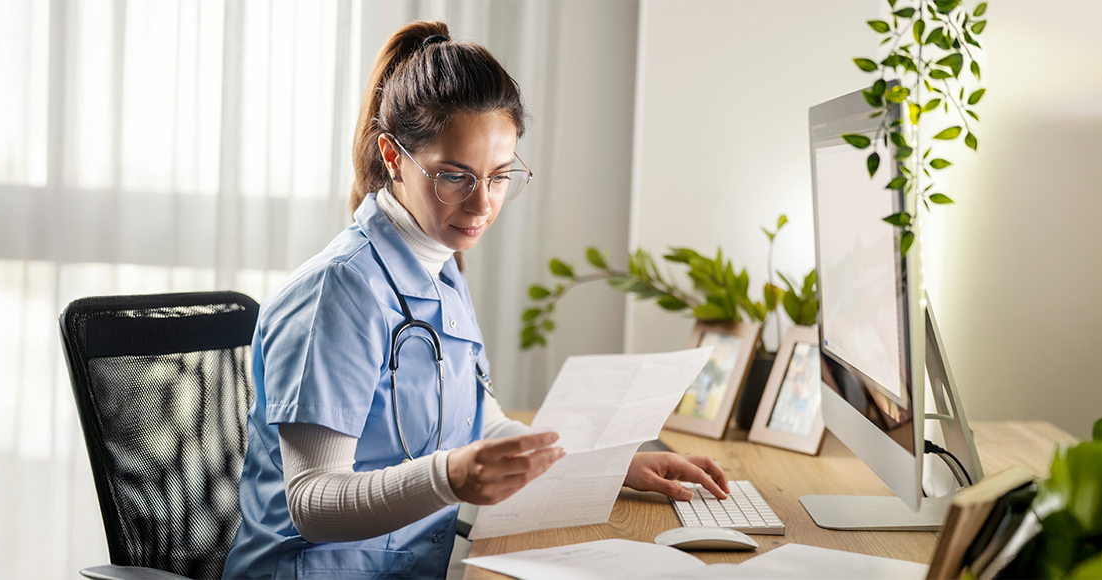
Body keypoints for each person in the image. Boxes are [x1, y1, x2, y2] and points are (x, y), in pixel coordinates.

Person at [222, 21, 730, 580]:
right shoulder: (339, 291)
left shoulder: (439, 265)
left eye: (500, 176)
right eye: (455, 177)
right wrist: (449, 478)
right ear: (392, 155)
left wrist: (610, 467)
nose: (482, 204)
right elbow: (313, 502)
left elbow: (482, 428)